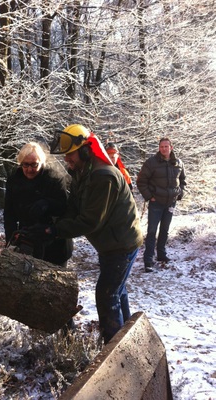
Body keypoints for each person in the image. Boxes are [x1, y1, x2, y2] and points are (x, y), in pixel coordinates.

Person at [22, 124, 143, 345]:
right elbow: (74, 208)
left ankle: (114, 349)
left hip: (120, 244)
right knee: (117, 291)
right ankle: (127, 339)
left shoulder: (102, 177)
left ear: (86, 150)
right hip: (110, 243)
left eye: (71, 155)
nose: (68, 160)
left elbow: (90, 221)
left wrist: (54, 231)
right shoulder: (83, 173)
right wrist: (51, 217)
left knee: (107, 295)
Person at [3, 142, 73, 267]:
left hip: (54, 241)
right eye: (25, 165)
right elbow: (9, 214)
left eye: (34, 165)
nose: (29, 169)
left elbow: (64, 208)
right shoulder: (14, 180)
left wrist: (47, 204)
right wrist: (11, 240)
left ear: (42, 162)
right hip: (28, 240)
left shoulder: (54, 178)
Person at [137, 137, 186, 273]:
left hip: (171, 202)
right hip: (156, 203)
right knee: (152, 231)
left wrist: (180, 194)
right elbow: (141, 181)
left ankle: (161, 255)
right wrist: (149, 196)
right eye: (161, 146)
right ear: (159, 148)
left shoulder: (178, 163)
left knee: (165, 230)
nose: (163, 149)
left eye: (166, 146)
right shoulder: (151, 163)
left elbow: (183, 180)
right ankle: (148, 261)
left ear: (171, 147)